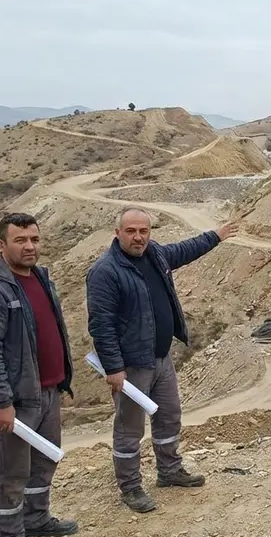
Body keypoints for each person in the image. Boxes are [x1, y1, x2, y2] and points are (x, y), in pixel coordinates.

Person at [86, 207, 238, 512]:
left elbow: (184, 250)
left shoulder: (154, 254)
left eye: (144, 231)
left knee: (169, 416)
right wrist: (114, 368)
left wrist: (216, 236)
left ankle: (169, 471)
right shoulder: (105, 271)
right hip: (131, 365)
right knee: (130, 429)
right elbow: (101, 324)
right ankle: (130, 488)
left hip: (160, 356)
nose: (138, 237)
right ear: (117, 233)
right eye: (131, 231)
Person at [0, 213, 79, 537]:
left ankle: (36, 519)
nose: (29, 246)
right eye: (20, 240)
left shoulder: (41, 277)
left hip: (48, 391)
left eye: (34, 239)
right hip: (17, 401)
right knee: (12, 473)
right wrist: (1, 403)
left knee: (44, 462)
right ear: (2, 245)